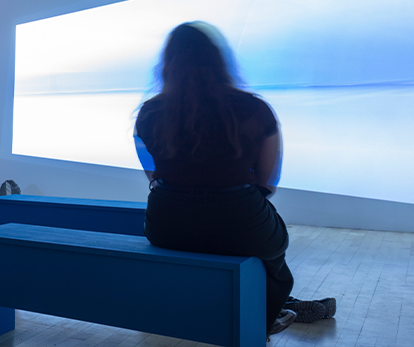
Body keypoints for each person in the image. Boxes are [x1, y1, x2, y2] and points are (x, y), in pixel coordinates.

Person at [133, 22, 334, 336]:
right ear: (218, 61)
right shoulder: (255, 110)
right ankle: (268, 314)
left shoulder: (148, 113)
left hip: (166, 224)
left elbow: (155, 175)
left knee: (212, 244)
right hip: (239, 222)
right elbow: (268, 182)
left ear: (167, 64)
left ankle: (275, 307)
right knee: (273, 254)